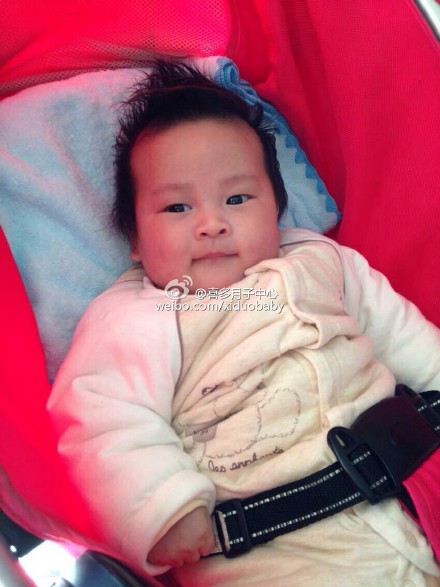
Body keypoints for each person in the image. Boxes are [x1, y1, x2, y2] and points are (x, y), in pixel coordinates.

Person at [48, 61, 440, 586]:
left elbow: (401, 333)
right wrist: (162, 507)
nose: (212, 223)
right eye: (177, 207)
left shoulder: (322, 260)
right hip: (278, 549)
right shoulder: (136, 316)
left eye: (237, 199)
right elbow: (103, 418)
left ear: (276, 209)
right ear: (136, 239)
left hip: (416, 484)